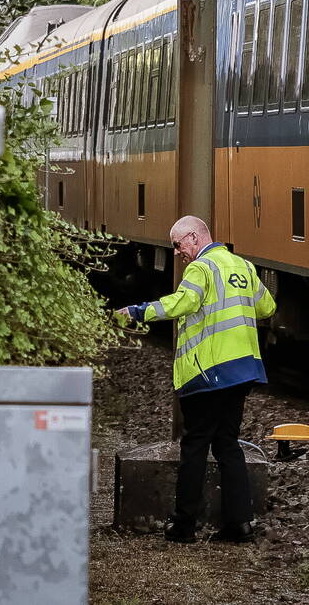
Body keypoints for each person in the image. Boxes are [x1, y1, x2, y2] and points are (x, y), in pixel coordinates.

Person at [116, 215, 276, 544]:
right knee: (229, 445)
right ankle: (240, 524)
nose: (177, 253)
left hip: (209, 373)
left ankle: (184, 525)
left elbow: (182, 303)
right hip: (241, 370)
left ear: (193, 238)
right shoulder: (242, 266)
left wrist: (138, 311)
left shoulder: (201, 269)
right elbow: (267, 306)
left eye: (177, 245)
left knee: (195, 447)